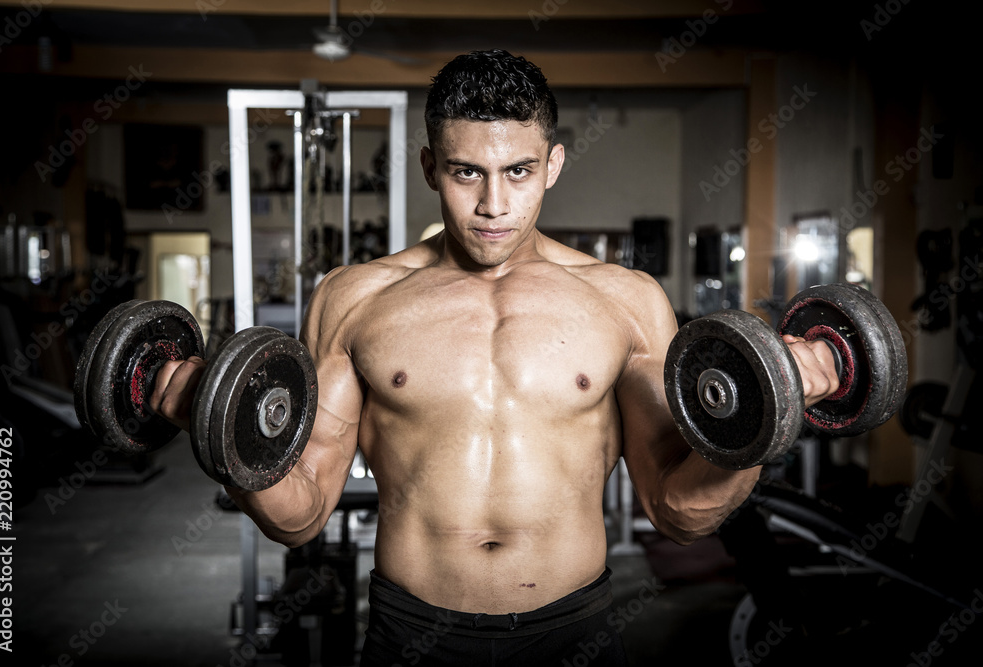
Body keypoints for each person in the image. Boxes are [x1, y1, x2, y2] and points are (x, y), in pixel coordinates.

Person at [150, 49, 839, 667]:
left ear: (555, 164)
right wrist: (219, 432)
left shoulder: (625, 302)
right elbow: (299, 514)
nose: (493, 204)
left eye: (518, 171)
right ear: (430, 168)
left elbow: (677, 511)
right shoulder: (354, 299)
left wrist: (767, 415)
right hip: (411, 630)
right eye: (465, 172)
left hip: (576, 631)